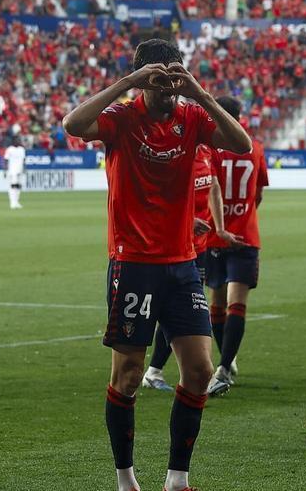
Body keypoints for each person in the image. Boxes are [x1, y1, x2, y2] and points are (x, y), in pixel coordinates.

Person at [61, 38, 252, 491]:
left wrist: (199, 92)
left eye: (175, 75)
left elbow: (241, 144)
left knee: (201, 370)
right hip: (133, 264)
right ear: (144, 79)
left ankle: (176, 479)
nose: (168, 87)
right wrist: (128, 83)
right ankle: (126, 479)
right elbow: (73, 123)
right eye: (160, 78)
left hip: (183, 262)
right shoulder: (123, 118)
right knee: (127, 375)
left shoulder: (192, 116)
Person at [142, 144, 236, 392]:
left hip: (200, 246)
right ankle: (157, 372)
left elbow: (214, 187)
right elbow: (154, 198)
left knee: (190, 306)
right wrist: (185, 221)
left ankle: (160, 372)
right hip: (175, 246)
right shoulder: (171, 155)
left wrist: (220, 227)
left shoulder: (206, 152)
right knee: (181, 307)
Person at [205, 95, 269, 396]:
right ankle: (225, 363)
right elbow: (258, 195)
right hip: (245, 235)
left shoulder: (209, 149)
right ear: (240, 118)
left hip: (214, 236)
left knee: (217, 304)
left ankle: (226, 363)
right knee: (236, 305)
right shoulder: (254, 148)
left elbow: (205, 190)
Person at [3, 137, 26, 209]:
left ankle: (17, 202)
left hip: (20, 170)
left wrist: (24, 168)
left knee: (19, 186)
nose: (18, 141)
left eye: (19, 140)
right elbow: (6, 160)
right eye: (17, 140)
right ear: (13, 141)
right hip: (12, 170)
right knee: (13, 186)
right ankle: (12, 202)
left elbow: (23, 160)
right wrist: (5, 170)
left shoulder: (22, 149)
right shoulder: (9, 149)